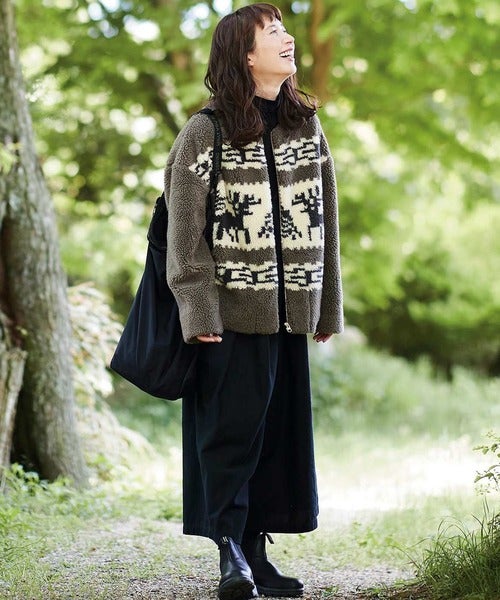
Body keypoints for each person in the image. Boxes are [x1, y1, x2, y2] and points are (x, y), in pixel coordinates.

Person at [163, 3, 343, 599]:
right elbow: (183, 234)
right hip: (230, 316)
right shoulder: (205, 130)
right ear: (244, 54)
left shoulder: (305, 127)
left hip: (290, 317)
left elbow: (326, 221)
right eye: (273, 32)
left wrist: (326, 306)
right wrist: (198, 309)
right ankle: (230, 552)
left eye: (286, 29)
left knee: (274, 436)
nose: (288, 39)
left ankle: (257, 555)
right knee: (230, 436)